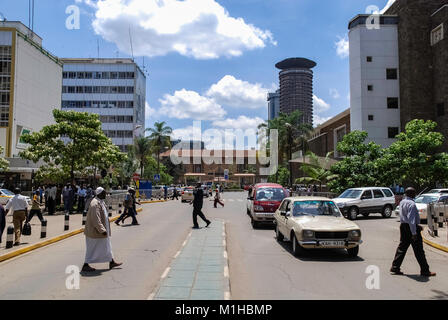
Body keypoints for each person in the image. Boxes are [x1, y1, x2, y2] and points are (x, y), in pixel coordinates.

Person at [390, 187, 436, 277]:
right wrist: (414, 232)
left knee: (402, 247)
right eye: (414, 193)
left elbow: (406, 217)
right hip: (411, 228)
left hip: (403, 226)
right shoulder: (411, 204)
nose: (415, 195)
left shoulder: (402, 202)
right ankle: (425, 270)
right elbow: (411, 219)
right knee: (419, 250)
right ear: (412, 194)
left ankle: (395, 267)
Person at [82, 187, 122, 272]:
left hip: (101, 231)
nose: (106, 194)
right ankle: (85, 265)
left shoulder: (101, 202)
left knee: (107, 246)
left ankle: (111, 262)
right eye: (104, 193)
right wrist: (102, 230)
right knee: (91, 249)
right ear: (99, 193)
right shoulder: (95, 203)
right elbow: (95, 218)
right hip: (95, 232)